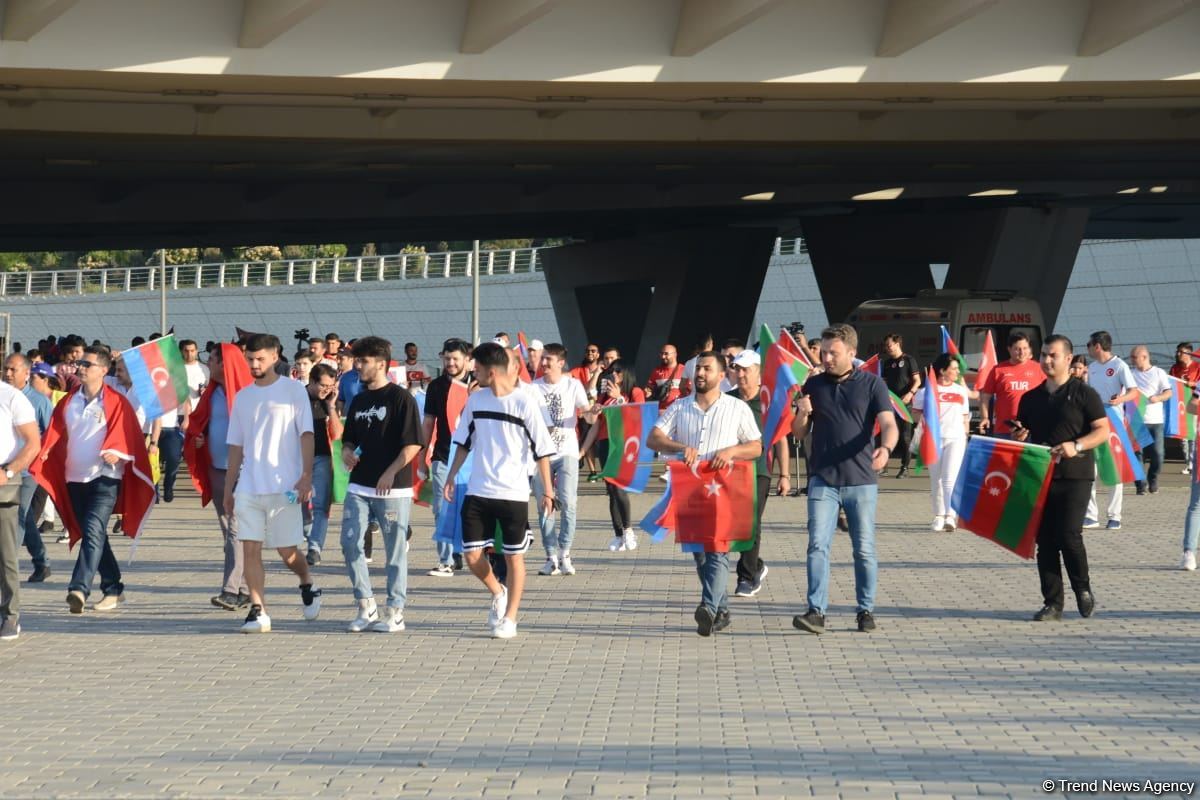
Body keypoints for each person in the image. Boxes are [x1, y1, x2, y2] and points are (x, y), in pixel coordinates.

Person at [444, 342, 555, 640]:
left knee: (513, 557)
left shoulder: (524, 403)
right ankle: (498, 591)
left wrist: (548, 491)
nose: (472, 372)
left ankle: (510, 618)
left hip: (513, 493)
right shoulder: (476, 401)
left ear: (491, 372)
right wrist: (451, 476)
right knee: (471, 556)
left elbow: (543, 450)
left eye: (476, 368)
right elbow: (464, 442)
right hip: (478, 490)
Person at [791, 324, 898, 635]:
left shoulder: (872, 384)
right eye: (823, 352)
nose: (825, 358)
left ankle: (865, 609)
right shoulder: (813, 384)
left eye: (832, 353)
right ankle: (816, 612)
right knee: (816, 546)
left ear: (851, 353)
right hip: (822, 479)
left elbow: (888, 423)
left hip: (861, 480)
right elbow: (799, 433)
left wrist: (886, 448)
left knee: (863, 549)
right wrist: (803, 413)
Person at [32, 346, 154, 614]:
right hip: (74, 479)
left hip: (105, 478)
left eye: (88, 364)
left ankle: (79, 588)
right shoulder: (68, 401)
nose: (81, 368)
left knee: (92, 529)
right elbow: (54, 434)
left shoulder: (116, 402)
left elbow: (130, 434)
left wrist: (118, 452)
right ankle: (113, 588)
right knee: (95, 534)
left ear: (104, 370)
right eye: (80, 364)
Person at [648, 351, 762, 636]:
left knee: (717, 549)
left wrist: (732, 450)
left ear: (721, 376)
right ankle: (721, 609)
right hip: (689, 487)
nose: (700, 374)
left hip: (724, 488)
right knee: (699, 554)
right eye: (698, 368)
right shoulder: (679, 406)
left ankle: (709, 607)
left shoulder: (737, 408)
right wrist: (677, 447)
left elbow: (756, 447)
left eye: (707, 369)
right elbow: (654, 437)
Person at [222, 334, 322, 633]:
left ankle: (307, 583)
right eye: (250, 359)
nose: (254, 364)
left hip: (285, 486)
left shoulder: (292, 391)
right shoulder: (243, 396)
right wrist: (229, 489)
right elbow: (236, 446)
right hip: (250, 486)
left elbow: (306, 434)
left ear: (275, 356)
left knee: (287, 552)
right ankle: (258, 610)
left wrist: (305, 476)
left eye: (260, 359)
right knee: (250, 548)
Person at [1013, 334, 1106, 621]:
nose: (1046, 360)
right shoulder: (1030, 398)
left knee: (1069, 535)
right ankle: (1052, 603)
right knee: (1046, 542)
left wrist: (1075, 446)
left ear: (1068, 358)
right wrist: (1019, 433)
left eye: (1053, 355)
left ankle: (1083, 588)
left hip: (1075, 475)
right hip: (1040, 476)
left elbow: (1102, 431)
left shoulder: (1084, 394)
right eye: (1043, 355)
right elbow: (1023, 431)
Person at [340, 336, 423, 634]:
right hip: (359, 486)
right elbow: (350, 437)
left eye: (363, 361)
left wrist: (391, 471)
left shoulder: (401, 399)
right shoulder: (360, 399)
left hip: (393, 488)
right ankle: (366, 605)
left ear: (381, 363)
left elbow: (413, 444)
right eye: (356, 360)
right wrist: (346, 451)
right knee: (350, 543)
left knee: (394, 550)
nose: (357, 365)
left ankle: (395, 610)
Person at [184, 345, 251, 611]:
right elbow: (201, 423)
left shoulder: (247, 393)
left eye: (211, 359)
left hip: (244, 471)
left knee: (235, 528)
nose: (207, 363)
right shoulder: (211, 392)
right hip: (217, 468)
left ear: (225, 363)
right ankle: (245, 588)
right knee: (231, 532)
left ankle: (230, 589)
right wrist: (199, 437)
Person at [726, 349, 788, 598]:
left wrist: (785, 475)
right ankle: (757, 565)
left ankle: (747, 577)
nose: (740, 374)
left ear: (758, 372)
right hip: (730, 469)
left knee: (751, 521)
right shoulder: (727, 399)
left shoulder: (769, 400)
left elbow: (781, 439)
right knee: (735, 523)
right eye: (737, 369)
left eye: (745, 370)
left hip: (760, 469)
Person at [530, 344, 590, 576]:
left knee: (568, 502)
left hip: (567, 452)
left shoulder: (573, 385)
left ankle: (565, 552)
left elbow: (587, 414)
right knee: (545, 505)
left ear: (560, 363)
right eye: (542, 359)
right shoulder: (532, 388)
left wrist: (592, 412)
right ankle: (550, 556)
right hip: (540, 456)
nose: (543, 363)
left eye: (548, 360)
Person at [580, 360, 645, 552]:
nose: (613, 375)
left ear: (625, 373)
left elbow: (637, 416)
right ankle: (618, 534)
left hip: (624, 443)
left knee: (619, 488)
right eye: (611, 371)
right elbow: (594, 423)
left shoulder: (633, 392)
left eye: (617, 371)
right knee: (611, 490)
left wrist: (619, 399)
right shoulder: (603, 396)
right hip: (605, 443)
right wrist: (593, 410)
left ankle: (628, 529)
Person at [1084, 331, 1140, 530]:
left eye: (1089, 344)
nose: (1088, 348)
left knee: (1113, 470)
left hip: (1114, 421)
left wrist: (1120, 400)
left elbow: (1134, 391)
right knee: (1090, 469)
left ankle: (1114, 515)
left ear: (1097, 346)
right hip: (1094, 419)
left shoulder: (1119, 366)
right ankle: (1091, 515)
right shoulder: (1091, 368)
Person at [5, 354, 52, 583]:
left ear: (26, 373)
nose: (8, 373)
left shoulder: (39, 401)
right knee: (24, 517)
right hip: (5, 469)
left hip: (29, 470)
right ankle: (42, 561)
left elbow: (50, 434)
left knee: (18, 515)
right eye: (6, 369)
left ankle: (7, 565)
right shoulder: (3, 396)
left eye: (13, 370)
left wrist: (43, 457)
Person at [0, 375, 41, 640]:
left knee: (5, 555)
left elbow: (32, 442)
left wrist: (9, 471)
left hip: (3, 485)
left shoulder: (12, 397)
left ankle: (10, 615)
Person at [912, 354, 971, 532]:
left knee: (949, 479)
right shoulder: (926, 392)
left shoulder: (960, 391)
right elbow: (915, 415)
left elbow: (964, 418)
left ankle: (950, 516)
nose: (957, 371)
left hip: (955, 439)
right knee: (936, 479)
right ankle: (938, 515)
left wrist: (965, 437)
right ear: (942, 371)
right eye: (953, 368)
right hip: (933, 439)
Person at [303, 364, 342, 566]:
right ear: (312, 381)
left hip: (323, 457)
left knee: (321, 505)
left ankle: (315, 548)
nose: (327, 389)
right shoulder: (297, 398)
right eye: (323, 385)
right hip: (298, 458)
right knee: (297, 502)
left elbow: (337, 434)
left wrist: (331, 407)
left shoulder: (329, 402)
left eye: (331, 386)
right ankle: (308, 533)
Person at [979, 332, 1046, 438]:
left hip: (1031, 430)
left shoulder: (1039, 369)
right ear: (1009, 349)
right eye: (1017, 349)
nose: (1022, 352)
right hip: (1004, 430)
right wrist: (985, 417)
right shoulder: (998, 370)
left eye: (1025, 348)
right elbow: (985, 397)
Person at [1129, 346, 1172, 495]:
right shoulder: (1130, 374)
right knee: (1137, 455)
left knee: (1158, 455)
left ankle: (1152, 477)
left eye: (1134, 357)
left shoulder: (1159, 373)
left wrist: (1158, 398)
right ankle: (1140, 485)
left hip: (1155, 420)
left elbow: (1168, 392)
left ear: (1144, 357)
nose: (1132, 360)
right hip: (1135, 420)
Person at [880, 334, 920, 478]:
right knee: (886, 433)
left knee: (905, 436)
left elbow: (917, 380)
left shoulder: (909, 360)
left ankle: (905, 467)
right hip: (890, 402)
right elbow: (883, 382)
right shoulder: (887, 363)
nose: (887, 348)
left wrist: (910, 393)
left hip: (905, 404)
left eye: (889, 345)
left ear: (898, 344)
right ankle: (883, 466)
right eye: (886, 346)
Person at [1170, 343, 1200, 475]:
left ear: (1188, 353)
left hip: (1193, 406)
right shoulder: (1175, 369)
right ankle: (1188, 463)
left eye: (1181, 352)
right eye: (1177, 352)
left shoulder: (1197, 367)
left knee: (1193, 434)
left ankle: (1193, 463)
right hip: (1180, 406)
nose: (1178, 354)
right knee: (1183, 437)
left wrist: (1192, 384)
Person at [645, 344, 684, 411]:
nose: (663, 356)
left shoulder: (684, 370)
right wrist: (647, 392)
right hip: (661, 412)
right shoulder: (656, 371)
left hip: (679, 411)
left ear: (675, 354)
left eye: (666, 354)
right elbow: (649, 388)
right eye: (661, 354)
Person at [179, 339, 210, 414]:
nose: (189, 354)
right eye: (186, 351)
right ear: (181, 351)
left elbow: (209, 389)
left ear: (196, 351)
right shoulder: (174, 369)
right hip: (178, 413)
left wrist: (204, 391)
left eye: (192, 351)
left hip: (198, 413)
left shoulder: (204, 369)